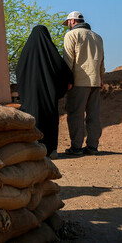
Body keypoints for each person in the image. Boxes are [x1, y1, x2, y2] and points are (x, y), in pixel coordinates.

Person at [16, 25, 74, 158]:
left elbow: (19, 71)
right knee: (50, 118)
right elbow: (62, 68)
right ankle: (51, 149)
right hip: (48, 95)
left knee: (33, 118)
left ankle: (35, 148)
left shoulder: (26, 53)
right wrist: (67, 82)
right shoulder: (51, 53)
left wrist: (25, 90)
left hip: (30, 96)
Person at [62, 11, 105, 156]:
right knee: (94, 115)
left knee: (76, 114)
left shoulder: (71, 35)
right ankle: (92, 146)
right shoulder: (97, 37)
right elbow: (101, 61)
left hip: (78, 82)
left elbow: (68, 60)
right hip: (95, 81)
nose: (67, 25)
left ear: (72, 21)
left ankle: (76, 148)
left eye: (67, 22)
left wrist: (68, 80)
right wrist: (101, 78)